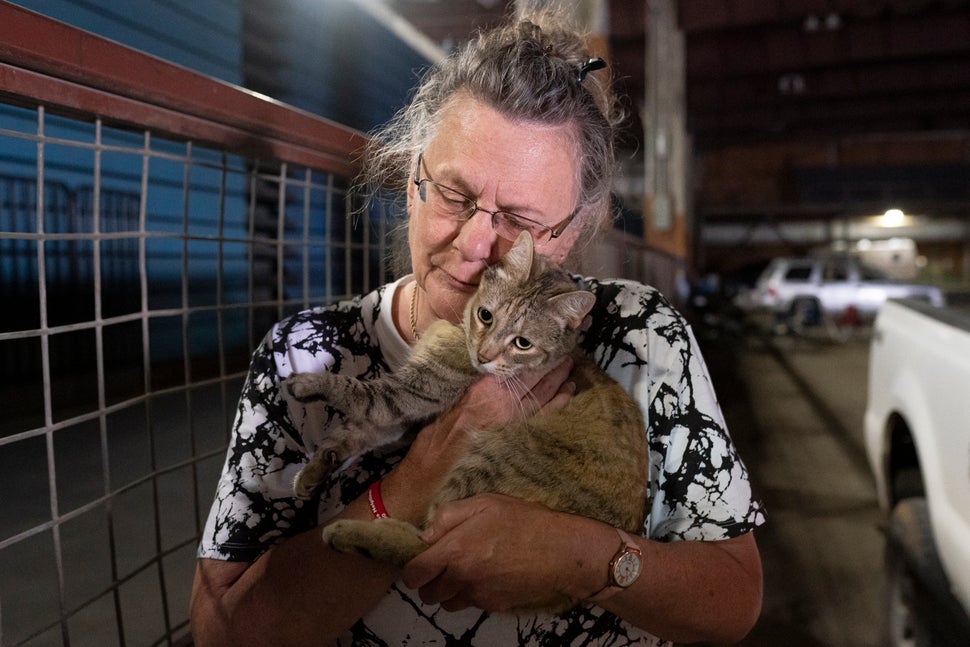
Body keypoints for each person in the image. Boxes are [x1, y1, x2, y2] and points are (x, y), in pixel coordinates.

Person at [190, 10, 765, 647]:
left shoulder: (641, 334)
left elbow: (734, 601)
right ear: (411, 184)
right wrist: (412, 481)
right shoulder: (303, 358)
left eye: (519, 219)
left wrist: (585, 556)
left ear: (571, 232)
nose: (474, 245)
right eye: (455, 196)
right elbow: (223, 632)